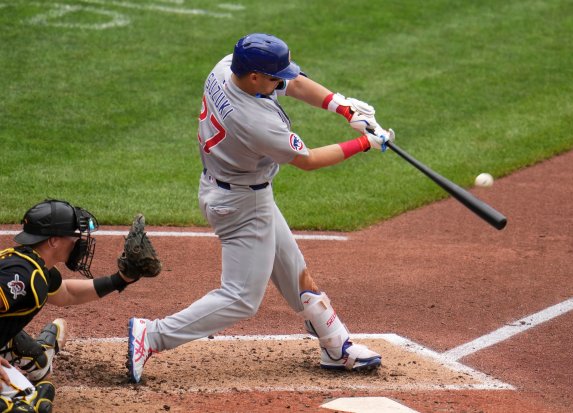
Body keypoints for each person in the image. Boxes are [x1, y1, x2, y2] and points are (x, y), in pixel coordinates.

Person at [126, 33, 395, 383]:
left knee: (294, 270)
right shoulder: (253, 120)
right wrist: (365, 142)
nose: (281, 80)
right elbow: (309, 160)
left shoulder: (226, 67)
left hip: (235, 190)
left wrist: (342, 107)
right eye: (273, 76)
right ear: (254, 76)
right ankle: (153, 336)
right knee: (240, 298)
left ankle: (335, 345)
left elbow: (293, 82)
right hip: (241, 205)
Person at [0, 199, 143, 412]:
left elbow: (67, 293)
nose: (78, 242)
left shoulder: (36, 269)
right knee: (23, 405)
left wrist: (120, 279)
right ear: (54, 241)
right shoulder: (22, 275)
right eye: (73, 235)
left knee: (37, 363)